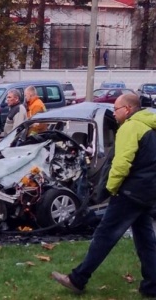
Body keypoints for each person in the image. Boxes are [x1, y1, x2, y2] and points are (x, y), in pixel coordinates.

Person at [51, 93, 156, 297]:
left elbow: (121, 164)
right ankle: (152, 285)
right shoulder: (150, 126)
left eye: (115, 109)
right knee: (145, 239)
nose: (113, 114)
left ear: (127, 109)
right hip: (147, 192)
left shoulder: (130, 127)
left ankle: (77, 279)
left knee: (105, 235)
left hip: (130, 192)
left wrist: (110, 188)